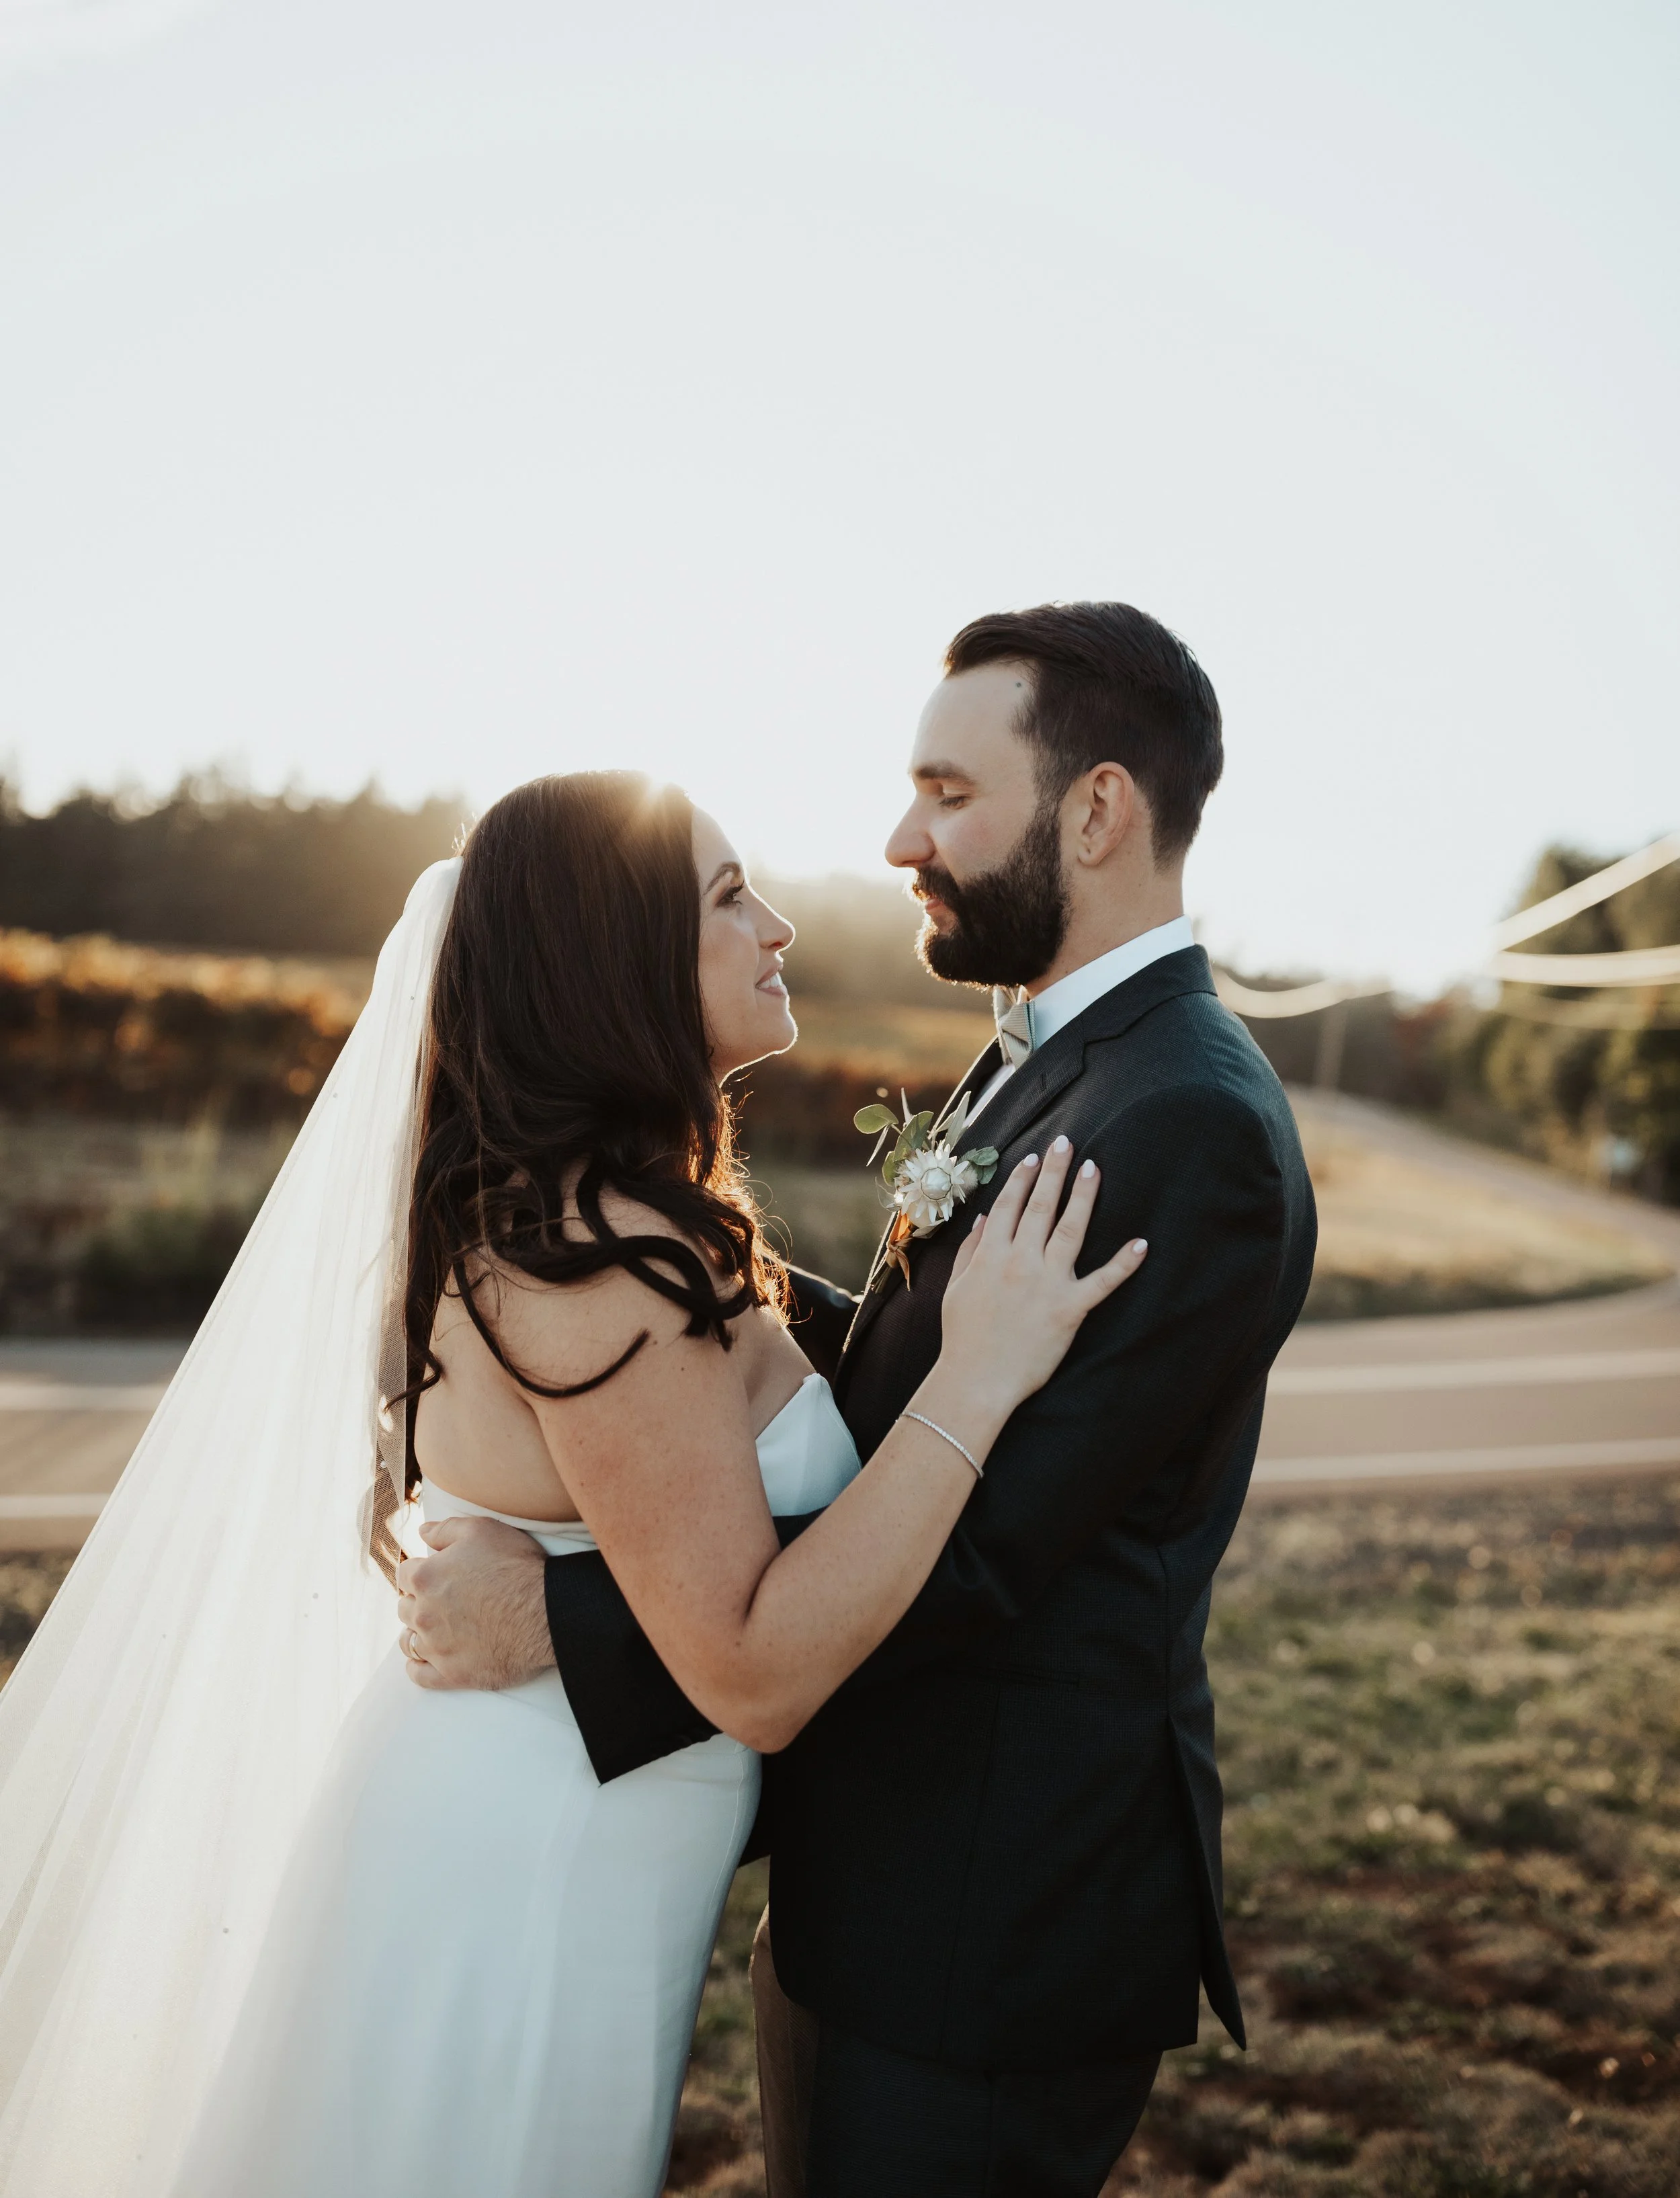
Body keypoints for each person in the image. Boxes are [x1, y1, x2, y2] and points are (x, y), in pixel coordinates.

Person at [0, 770, 1141, 2198]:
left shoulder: (588, 1213)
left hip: (539, 1834)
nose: (779, 926)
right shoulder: (597, 1259)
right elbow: (751, 1670)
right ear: (611, 967)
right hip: (529, 1878)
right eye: (729, 899)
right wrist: (976, 1380)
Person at [405, 602, 1318, 2198]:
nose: (901, 838)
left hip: (989, 1922)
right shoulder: (1063, 1053)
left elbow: (979, 1552)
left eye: (947, 794)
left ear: (1094, 811)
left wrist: (559, 1625)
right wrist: (732, 1299)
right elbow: (919, 1368)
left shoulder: (1189, 1123)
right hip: (886, 1883)